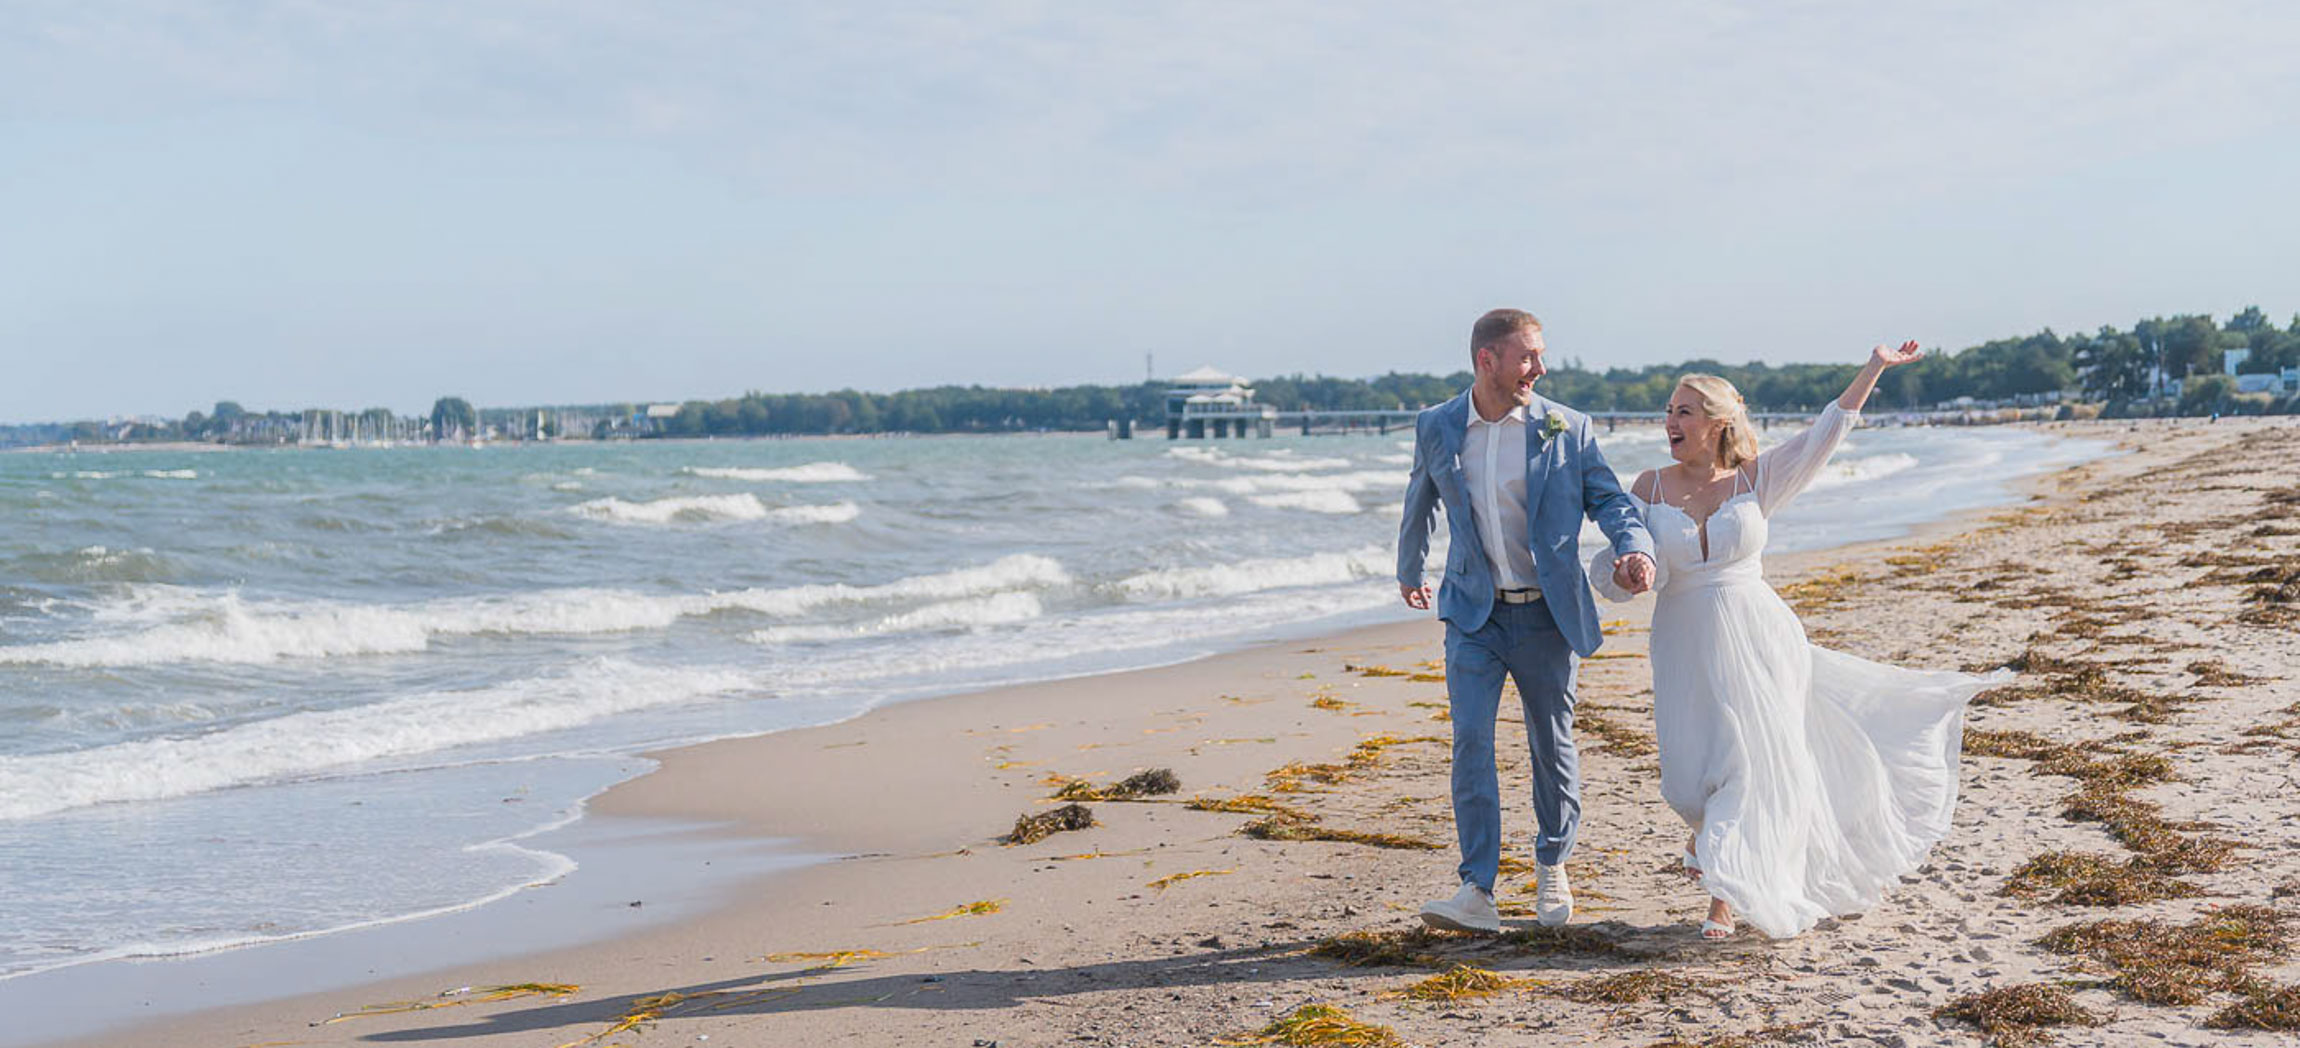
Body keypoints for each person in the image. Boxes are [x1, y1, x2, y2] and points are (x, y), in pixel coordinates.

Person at [1595, 342, 2004, 940]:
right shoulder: (1649, 486)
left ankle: (1724, 900)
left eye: (1684, 411)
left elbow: (1824, 436)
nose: (1670, 422)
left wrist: (1874, 367)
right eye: (1669, 410)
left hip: (1761, 638)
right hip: (1683, 642)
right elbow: (1615, 557)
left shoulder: (1755, 481)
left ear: (1716, 423)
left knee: (1754, 765)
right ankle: (1706, 833)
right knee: (1687, 777)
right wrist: (1628, 573)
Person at [1396, 308, 1656, 933]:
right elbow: (1421, 495)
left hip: (1545, 615)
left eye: (1539, 357)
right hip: (1473, 615)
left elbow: (1610, 499)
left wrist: (1635, 545)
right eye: (1527, 357)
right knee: (1470, 745)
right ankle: (1476, 888)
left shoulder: (1565, 426)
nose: (1539, 368)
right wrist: (1410, 569)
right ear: (1487, 360)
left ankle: (1551, 866)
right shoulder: (1437, 424)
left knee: (1552, 746)